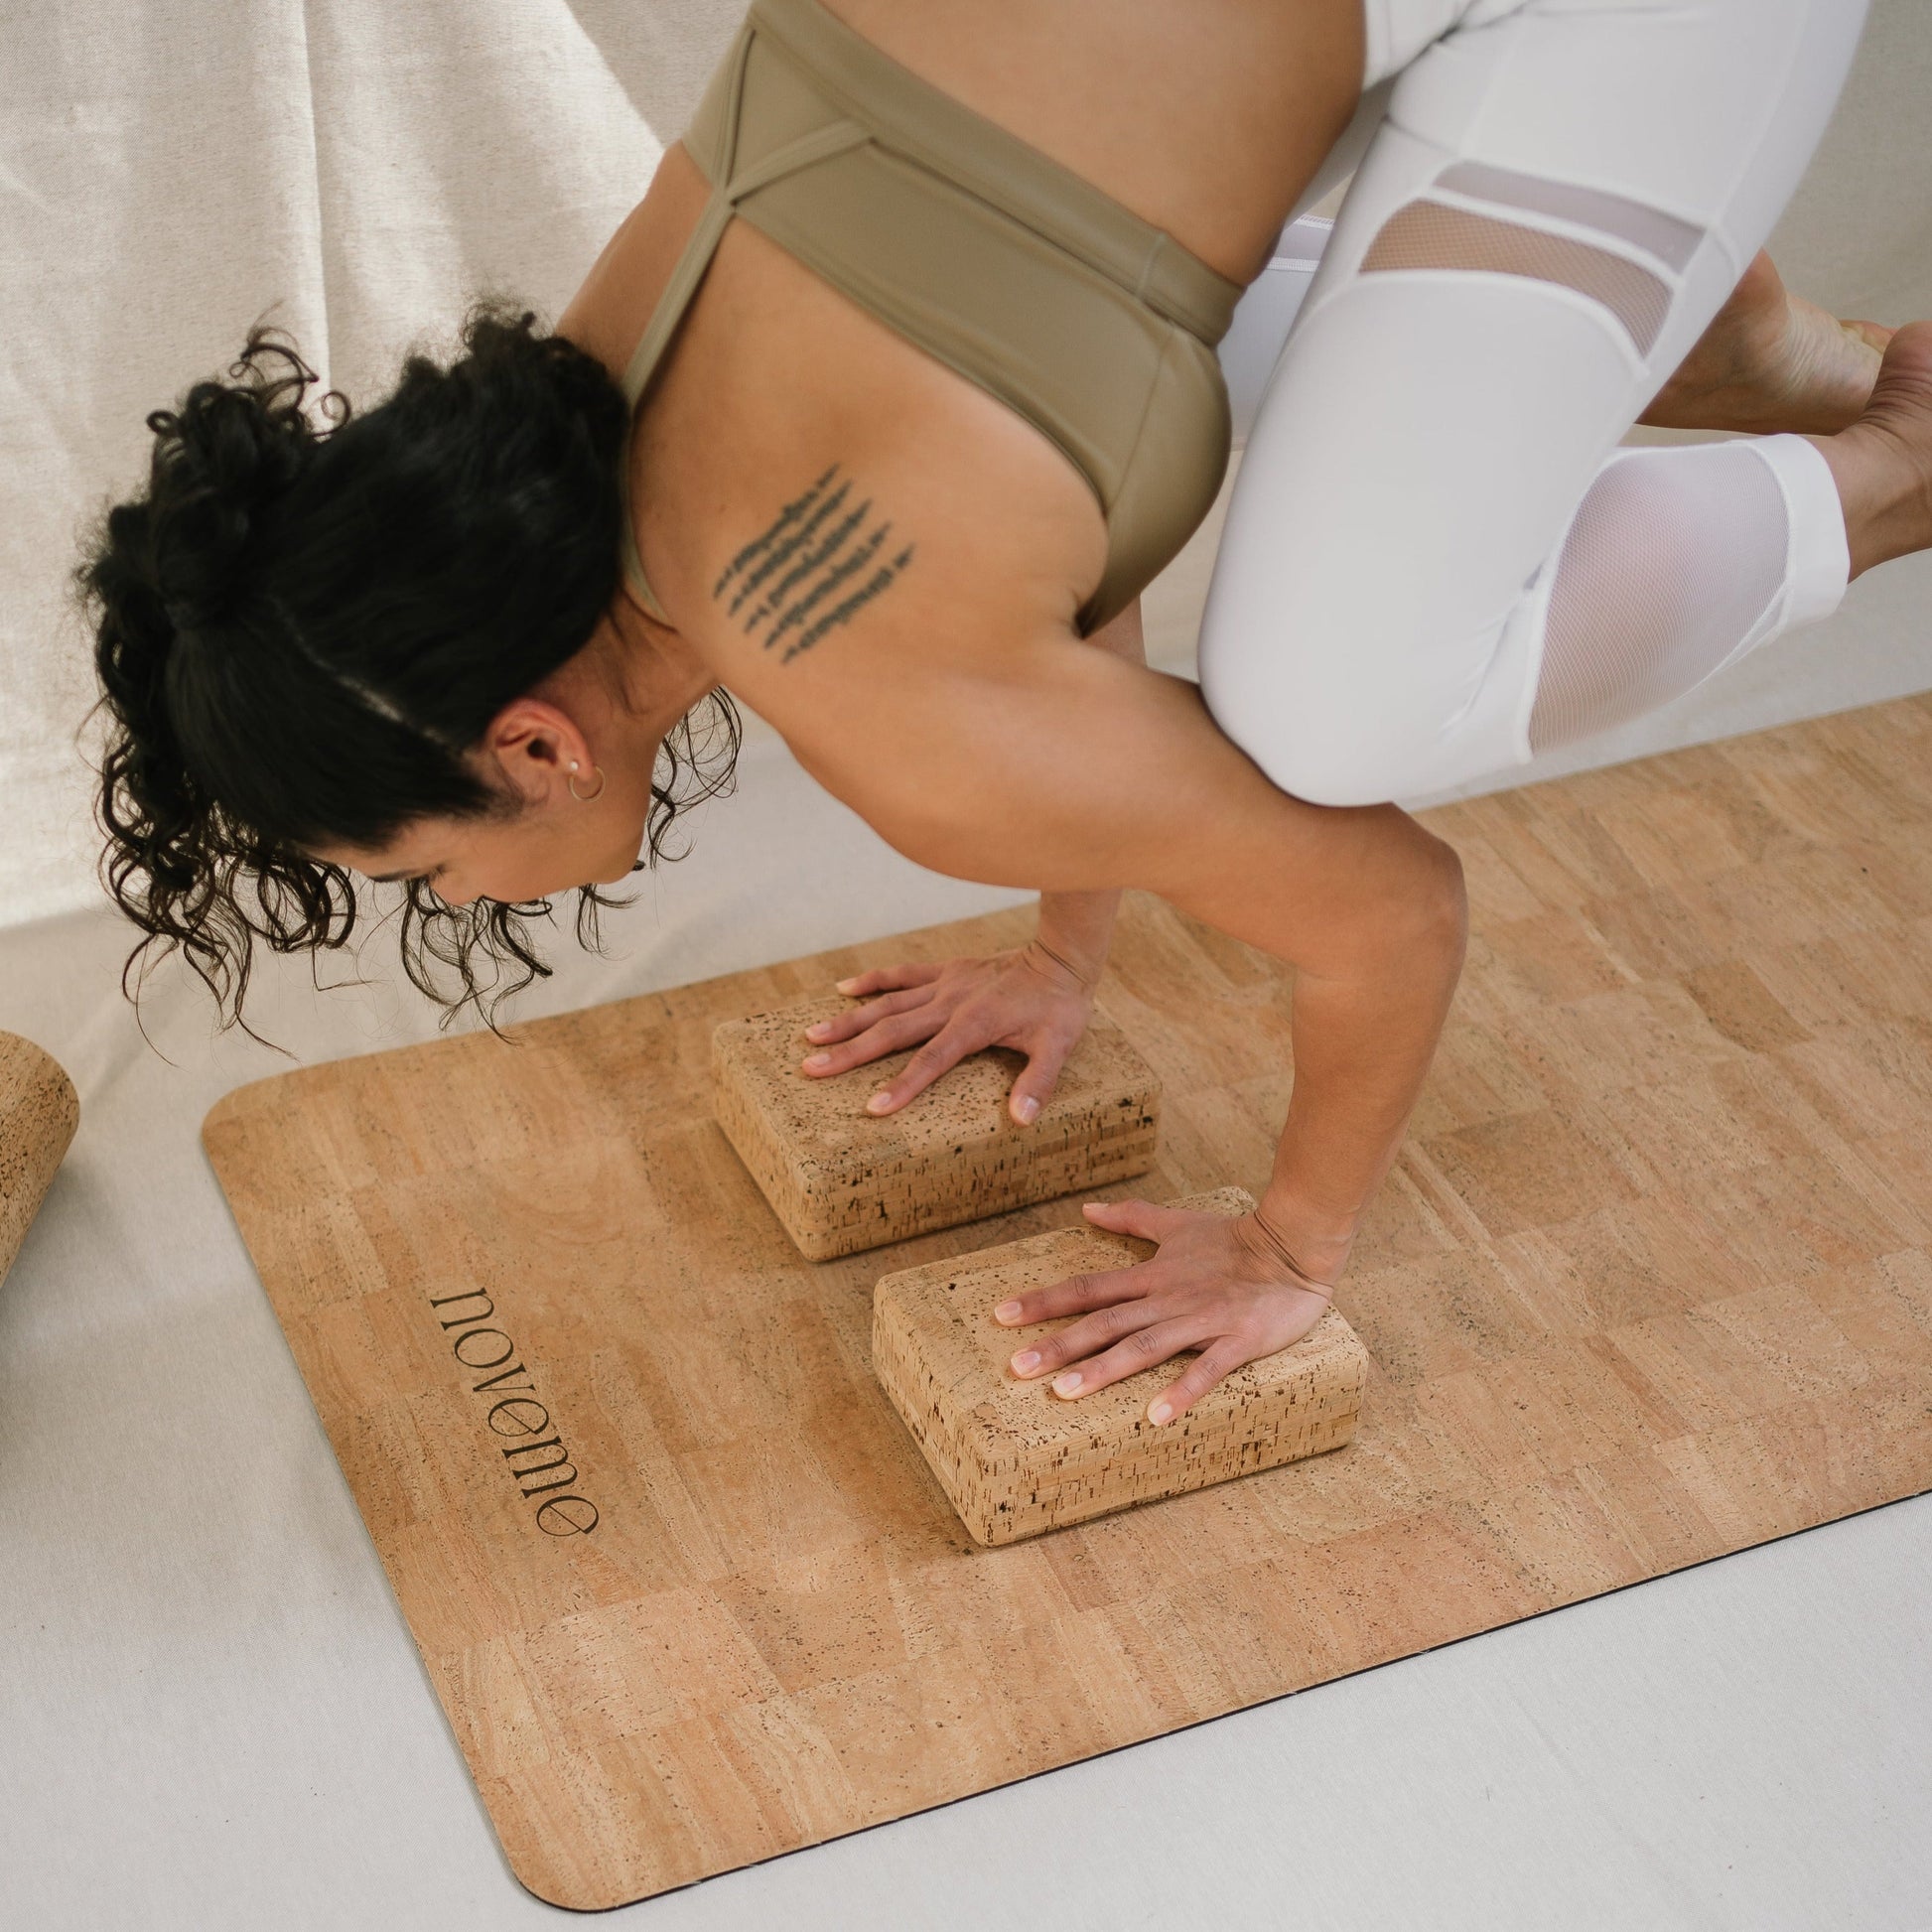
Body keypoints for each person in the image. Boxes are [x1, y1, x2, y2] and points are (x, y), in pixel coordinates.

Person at [80, 0, 1930, 1430]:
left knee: (1343, 710)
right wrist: (1068, 932)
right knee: (1192, 381)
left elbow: (1390, 907)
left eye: (428, 868)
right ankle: (1722, 327)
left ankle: (1899, 464)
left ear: (532, 745)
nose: (472, 910)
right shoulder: (585, 393)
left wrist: (1286, 1244)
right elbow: (1013, 506)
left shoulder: (896, 714)